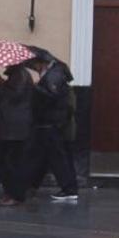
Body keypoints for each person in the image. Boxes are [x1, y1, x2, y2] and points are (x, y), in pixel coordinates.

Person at [28, 60, 78, 201]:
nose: (36, 69)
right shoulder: (59, 81)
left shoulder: (53, 81)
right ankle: (33, 185)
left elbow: (52, 101)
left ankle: (69, 189)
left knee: (58, 158)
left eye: (36, 66)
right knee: (52, 158)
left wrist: (36, 88)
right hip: (57, 126)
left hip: (53, 126)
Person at [0, 64, 34, 206]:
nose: (5, 65)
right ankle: (11, 192)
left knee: (11, 162)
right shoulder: (16, 75)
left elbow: (16, 95)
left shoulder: (20, 75)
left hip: (14, 128)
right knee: (4, 160)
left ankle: (15, 194)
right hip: (10, 126)